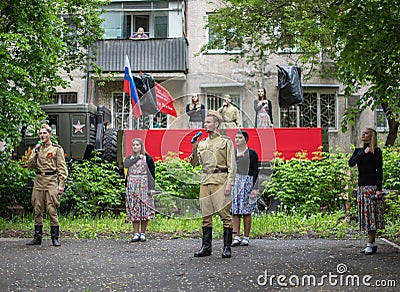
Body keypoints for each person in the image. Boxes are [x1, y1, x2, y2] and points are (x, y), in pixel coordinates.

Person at [190, 110, 236, 258]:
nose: (205, 124)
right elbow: (194, 163)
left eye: (208, 122)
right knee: (205, 215)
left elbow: (232, 165)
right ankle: (206, 247)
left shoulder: (225, 142)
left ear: (216, 124)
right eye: (205, 122)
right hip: (205, 180)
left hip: (220, 180)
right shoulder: (202, 143)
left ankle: (227, 247)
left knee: (225, 215)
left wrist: (230, 184)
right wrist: (194, 147)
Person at [26, 124, 68, 246]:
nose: (42, 135)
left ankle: (55, 237)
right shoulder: (38, 149)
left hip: (51, 180)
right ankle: (37, 237)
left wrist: (61, 184)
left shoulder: (56, 149)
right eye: (40, 133)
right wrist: (35, 151)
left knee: (51, 209)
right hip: (39, 180)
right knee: (37, 208)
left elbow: (62, 168)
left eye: (44, 133)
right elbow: (30, 165)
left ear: (50, 134)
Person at [349, 127, 384, 255]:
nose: (363, 134)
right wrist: (365, 152)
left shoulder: (377, 152)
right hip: (362, 187)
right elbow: (351, 163)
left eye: (366, 133)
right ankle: (372, 244)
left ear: (371, 136)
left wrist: (379, 189)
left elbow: (379, 171)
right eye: (363, 133)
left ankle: (370, 244)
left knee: (372, 217)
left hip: (372, 187)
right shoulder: (359, 151)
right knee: (366, 217)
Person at [123, 138, 156, 242]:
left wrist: (152, 188)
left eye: (137, 145)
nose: (135, 147)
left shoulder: (148, 159)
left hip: (144, 185)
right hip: (132, 185)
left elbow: (152, 173)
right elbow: (126, 165)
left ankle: (143, 233)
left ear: (141, 146)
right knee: (134, 209)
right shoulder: (130, 158)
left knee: (144, 209)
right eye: (134, 145)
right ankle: (135, 233)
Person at [231, 130, 259, 247]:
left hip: (247, 182)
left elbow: (255, 170)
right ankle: (236, 236)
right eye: (236, 137)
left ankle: (246, 237)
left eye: (240, 138)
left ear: (246, 139)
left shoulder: (252, 153)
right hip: (235, 182)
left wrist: (255, 188)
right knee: (235, 211)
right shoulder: (233, 153)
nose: (237, 140)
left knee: (246, 211)